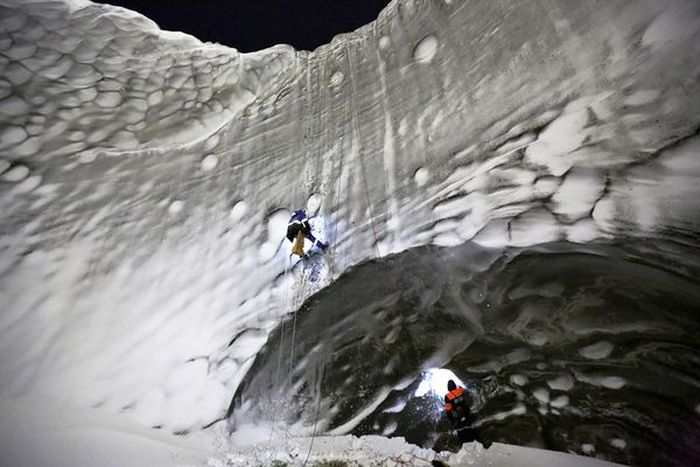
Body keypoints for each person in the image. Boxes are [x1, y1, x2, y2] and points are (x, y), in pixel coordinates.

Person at [444, 379, 491, 449]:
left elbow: (448, 408)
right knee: (470, 426)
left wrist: (450, 418)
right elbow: (463, 392)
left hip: (458, 415)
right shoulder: (460, 390)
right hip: (466, 411)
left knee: (460, 429)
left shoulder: (447, 396)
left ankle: (463, 443)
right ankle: (481, 441)